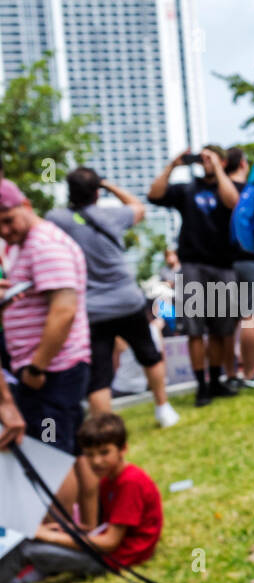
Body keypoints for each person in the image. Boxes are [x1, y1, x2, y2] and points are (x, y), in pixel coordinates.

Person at [47, 167, 180, 427]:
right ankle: (163, 409)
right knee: (149, 354)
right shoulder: (112, 215)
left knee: (99, 373)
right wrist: (108, 184)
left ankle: (104, 427)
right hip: (126, 300)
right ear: (97, 192)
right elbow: (138, 207)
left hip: (92, 308)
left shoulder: (57, 219)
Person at [0, 178, 96, 521]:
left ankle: (60, 535)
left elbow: (64, 311)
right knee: (69, 449)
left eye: (8, 219)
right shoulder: (21, 245)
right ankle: (85, 525)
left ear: (26, 206)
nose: (4, 229)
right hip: (46, 369)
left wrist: (37, 367)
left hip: (53, 371)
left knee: (51, 454)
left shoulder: (45, 245)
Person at [0, 412, 162, 583]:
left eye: (104, 452)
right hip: (106, 551)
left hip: (114, 560)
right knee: (32, 542)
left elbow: (110, 543)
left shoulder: (130, 482)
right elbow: (109, 527)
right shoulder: (109, 478)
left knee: (26, 549)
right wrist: (69, 530)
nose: (96, 461)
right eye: (89, 455)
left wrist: (49, 536)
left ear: (123, 449)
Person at [147, 145, 242, 407]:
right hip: (192, 265)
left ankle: (216, 380)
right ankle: (202, 386)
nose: (205, 163)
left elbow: (233, 203)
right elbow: (153, 195)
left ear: (222, 161)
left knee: (223, 331)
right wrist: (172, 166)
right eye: (202, 159)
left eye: (210, 158)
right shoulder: (187, 189)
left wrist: (218, 170)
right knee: (196, 330)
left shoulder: (229, 186)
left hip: (223, 265)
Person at [225, 148, 254, 388]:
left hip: (223, 263)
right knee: (251, 318)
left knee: (229, 322)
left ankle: (231, 373)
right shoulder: (250, 192)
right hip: (250, 259)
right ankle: (253, 372)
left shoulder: (219, 190)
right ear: (243, 164)